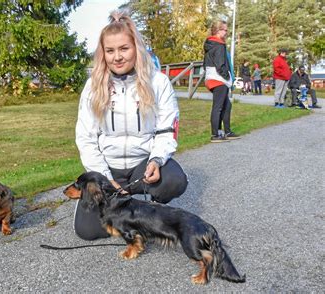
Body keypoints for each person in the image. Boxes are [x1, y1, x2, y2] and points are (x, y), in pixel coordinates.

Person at [74, 10, 188, 241]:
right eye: (110, 50)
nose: (117, 57)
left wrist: (156, 160)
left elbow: (166, 130)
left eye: (124, 48)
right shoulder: (92, 86)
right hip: (108, 168)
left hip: (141, 167)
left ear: (136, 47)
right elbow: (86, 139)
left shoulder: (158, 82)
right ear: (102, 53)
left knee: (173, 180)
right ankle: (113, 202)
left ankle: (143, 210)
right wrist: (105, 179)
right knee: (88, 231)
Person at [203, 20, 240, 143]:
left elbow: (205, 64)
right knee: (218, 107)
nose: (226, 32)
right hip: (218, 79)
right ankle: (215, 134)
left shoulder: (211, 44)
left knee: (226, 105)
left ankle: (225, 132)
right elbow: (220, 65)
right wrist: (227, 77)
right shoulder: (218, 45)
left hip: (212, 77)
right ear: (218, 30)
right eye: (225, 30)